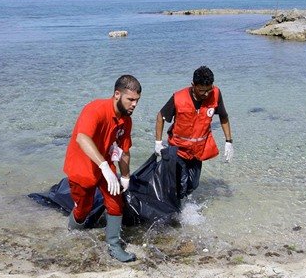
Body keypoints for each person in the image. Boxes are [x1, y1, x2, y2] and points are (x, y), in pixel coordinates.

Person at [63, 74, 142, 262]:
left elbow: (124, 150)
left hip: (105, 166)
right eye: (130, 99)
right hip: (82, 166)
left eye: (137, 100)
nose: (134, 105)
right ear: (117, 94)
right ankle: (73, 234)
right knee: (84, 208)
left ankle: (114, 246)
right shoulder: (95, 109)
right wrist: (104, 166)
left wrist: (125, 176)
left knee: (116, 202)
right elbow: (82, 138)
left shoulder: (126, 120)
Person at [155, 66, 233, 201]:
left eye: (209, 90)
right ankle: (177, 212)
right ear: (193, 85)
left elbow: (223, 117)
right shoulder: (178, 98)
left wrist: (228, 142)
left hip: (198, 150)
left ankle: (185, 204)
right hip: (178, 148)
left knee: (193, 184)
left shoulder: (216, 94)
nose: (206, 94)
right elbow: (161, 117)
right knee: (180, 184)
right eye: (202, 91)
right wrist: (158, 143)